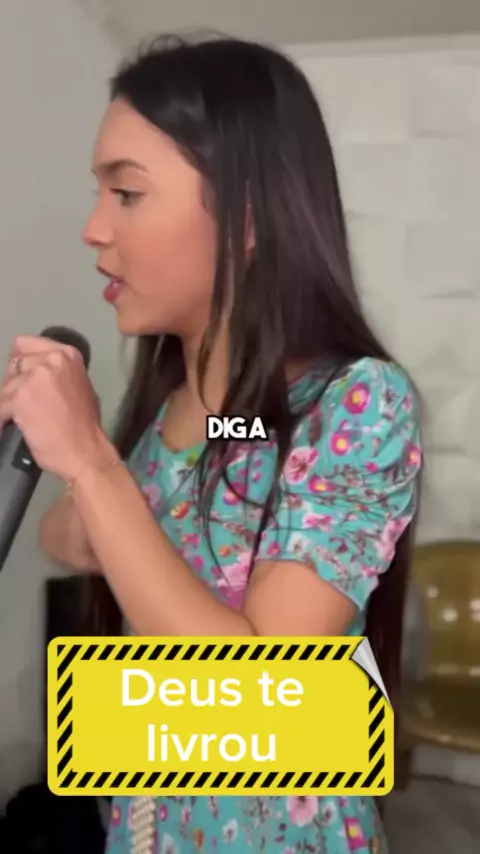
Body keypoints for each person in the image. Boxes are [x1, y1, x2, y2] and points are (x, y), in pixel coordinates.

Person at [0, 34, 422, 854]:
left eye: (127, 192)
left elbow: (257, 690)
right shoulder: (186, 413)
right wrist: (73, 460)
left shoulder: (354, 403)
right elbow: (71, 538)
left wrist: (90, 460)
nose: (93, 228)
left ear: (249, 217)